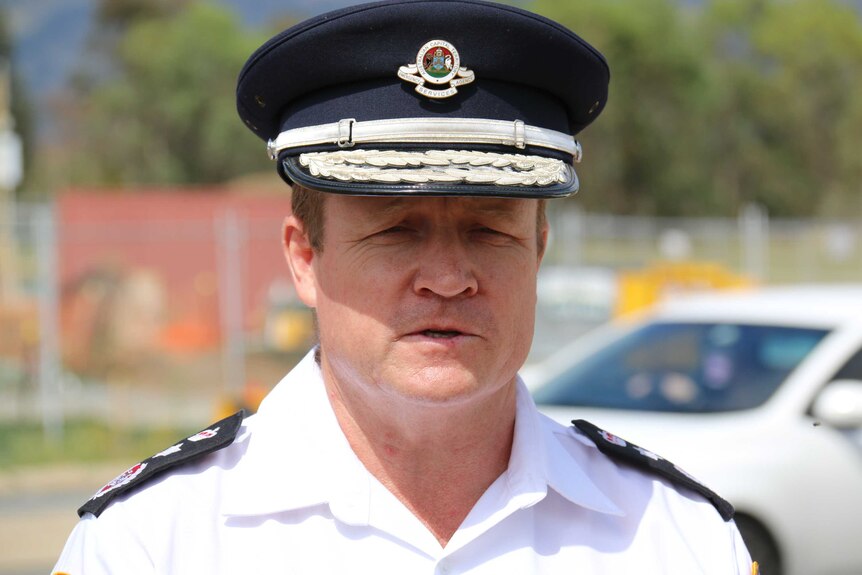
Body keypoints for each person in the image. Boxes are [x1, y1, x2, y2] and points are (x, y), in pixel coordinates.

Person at [53, 1, 756, 573]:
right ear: (304, 257)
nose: (449, 277)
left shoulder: (674, 538)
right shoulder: (153, 544)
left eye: (490, 230)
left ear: (538, 249)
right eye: (396, 230)